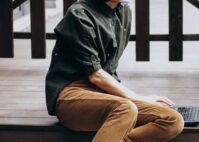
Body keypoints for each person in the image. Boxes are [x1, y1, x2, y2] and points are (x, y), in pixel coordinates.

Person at [45, 0, 184, 141]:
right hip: (72, 96)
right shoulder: (79, 14)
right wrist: (139, 98)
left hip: (106, 96)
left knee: (172, 119)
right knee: (125, 108)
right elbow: (95, 75)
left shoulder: (124, 12)